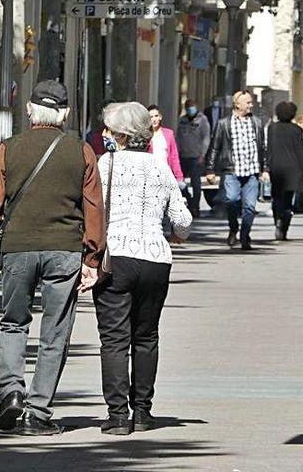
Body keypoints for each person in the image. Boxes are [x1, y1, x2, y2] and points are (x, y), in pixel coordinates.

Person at [0, 80, 105, 436]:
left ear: (29, 110)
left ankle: (12, 391)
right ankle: (38, 410)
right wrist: (92, 258)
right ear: (65, 114)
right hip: (65, 250)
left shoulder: (9, 149)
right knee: (55, 332)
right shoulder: (81, 151)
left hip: (18, 248)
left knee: (13, 322)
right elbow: (94, 208)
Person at [94, 102, 192, 435]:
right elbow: (182, 219)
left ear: (120, 134)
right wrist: (177, 234)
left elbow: (92, 213)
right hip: (155, 258)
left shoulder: (104, 164)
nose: (105, 134)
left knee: (114, 339)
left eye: (108, 129)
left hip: (116, 257)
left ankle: (118, 415)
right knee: (146, 335)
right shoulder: (159, 167)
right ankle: (143, 411)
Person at [205, 90, 269, 250]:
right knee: (232, 200)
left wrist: (265, 168)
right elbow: (214, 147)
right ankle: (233, 227)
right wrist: (210, 169)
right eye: (247, 102)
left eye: (251, 102)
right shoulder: (224, 124)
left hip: (252, 171)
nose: (251, 105)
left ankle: (245, 235)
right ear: (237, 104)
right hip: (231, 170)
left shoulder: (256, 122)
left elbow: (262, 147)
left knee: (250, 207)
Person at [267, 102, 303, 241]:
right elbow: (300, 153)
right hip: (293, 168)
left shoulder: (272, 128)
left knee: (276, 197)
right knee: (288, 199)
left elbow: (269, 149)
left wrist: (266, 167)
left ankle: (277, 220)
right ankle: (284, 226)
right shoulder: (297, 130)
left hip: (276, 168)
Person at [176, 99, 211, 216]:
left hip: (196, 157)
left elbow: (206, 138)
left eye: (192, 106)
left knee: (196, 183)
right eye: (188, 107)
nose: (190, 109)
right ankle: (188, 202)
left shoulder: (202, 120)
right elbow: (178, 137)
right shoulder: (182, 120)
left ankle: (195, 207)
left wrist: (203, 154)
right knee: (180, 183)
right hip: (183, 156)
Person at [146, 105, 185, 185]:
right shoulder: (145, 135)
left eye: (156, 116)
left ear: (160, 117)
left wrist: (179, 176)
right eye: (151, 117)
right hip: (150, 175)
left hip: (166, 174)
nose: (154, 119)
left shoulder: (169, 134)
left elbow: (174, 156)